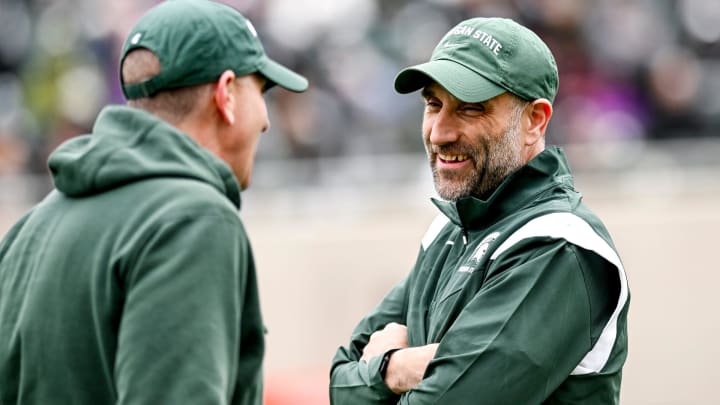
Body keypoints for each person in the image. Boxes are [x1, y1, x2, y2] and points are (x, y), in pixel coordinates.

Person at [0, 1, 307, 404]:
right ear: (226, 93)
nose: (266, 119)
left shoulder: (30, 229)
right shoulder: (193, 219)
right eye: (261, 90)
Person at [330, 17, 629, 404]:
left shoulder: (560, 245)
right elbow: (339, 383)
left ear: (534, 121)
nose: (440, 132)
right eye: (433, 104)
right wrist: (395, 370)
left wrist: (385, 369)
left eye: (470, 109)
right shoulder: (450, 228)